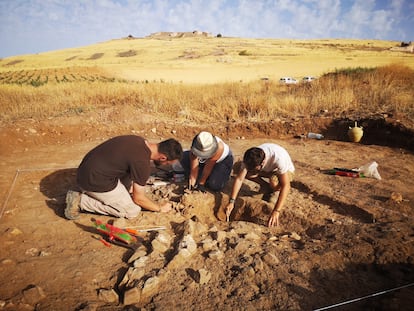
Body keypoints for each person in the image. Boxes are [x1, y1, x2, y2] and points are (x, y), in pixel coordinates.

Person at [64, 135, 183, 220]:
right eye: (168, 163)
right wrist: (159, 208)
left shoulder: (139, 141)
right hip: (92, 180)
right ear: (163, 158)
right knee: (132, 211)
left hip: (86, 170)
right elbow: (138, 199)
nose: (167, 166)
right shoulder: (142, 163)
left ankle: (106, 193)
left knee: (130, 186)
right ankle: (81, 201)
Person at [225, 143, 295, 227]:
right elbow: (240, 179)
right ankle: (266, 186)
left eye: (255, 168)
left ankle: (275, 190)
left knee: (273, 182)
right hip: (266, 170)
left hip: (284, 172)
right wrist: (231, 201)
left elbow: (286, 185)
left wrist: (276, 211)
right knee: (238, 168)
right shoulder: (250, 158)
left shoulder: (279, 159)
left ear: (263, 162)